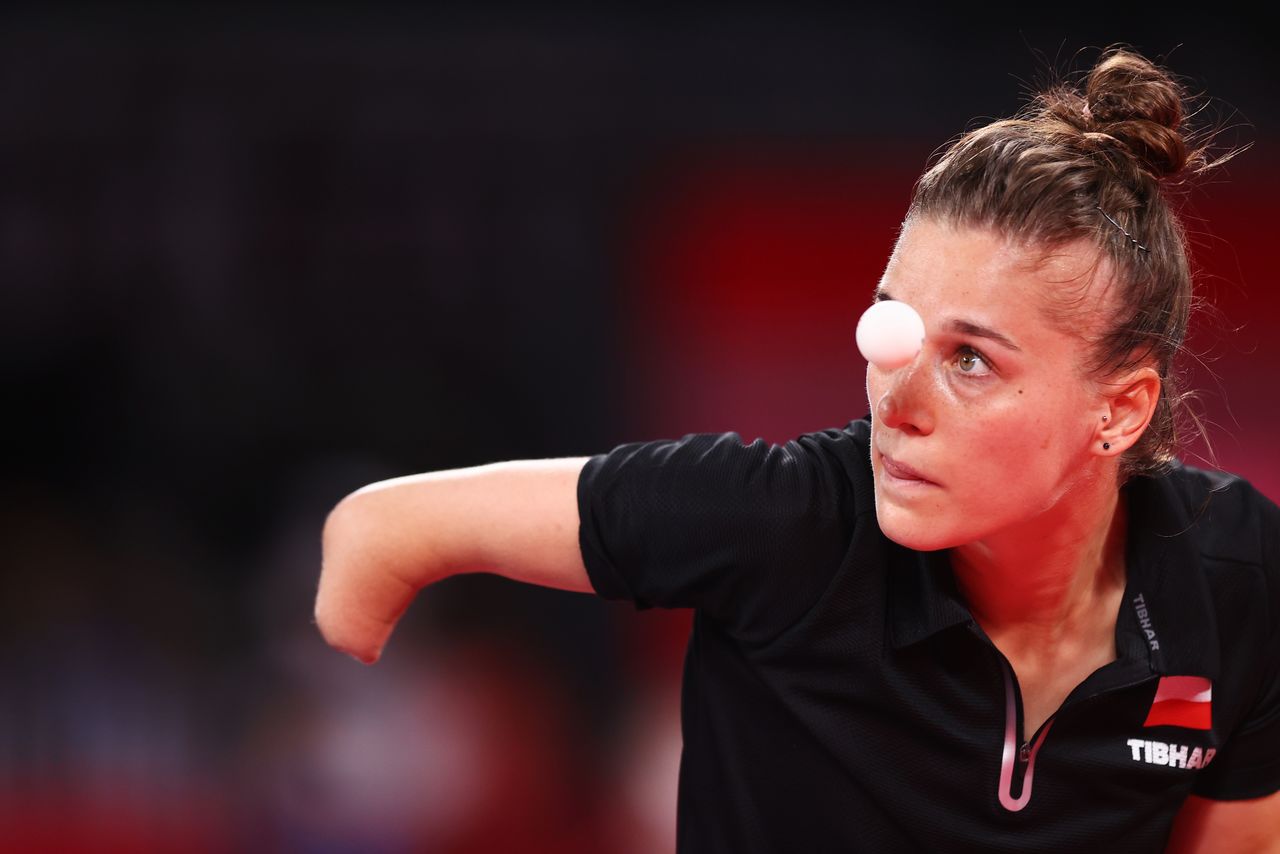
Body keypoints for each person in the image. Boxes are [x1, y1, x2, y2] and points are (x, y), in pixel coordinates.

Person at [314, 46, 1280, 852]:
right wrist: (343, 654)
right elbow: (384, 531)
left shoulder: (1238, 580)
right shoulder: (785, 522)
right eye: (896, 326)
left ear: (1120, 410)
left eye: (971, 360)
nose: (898, 402)